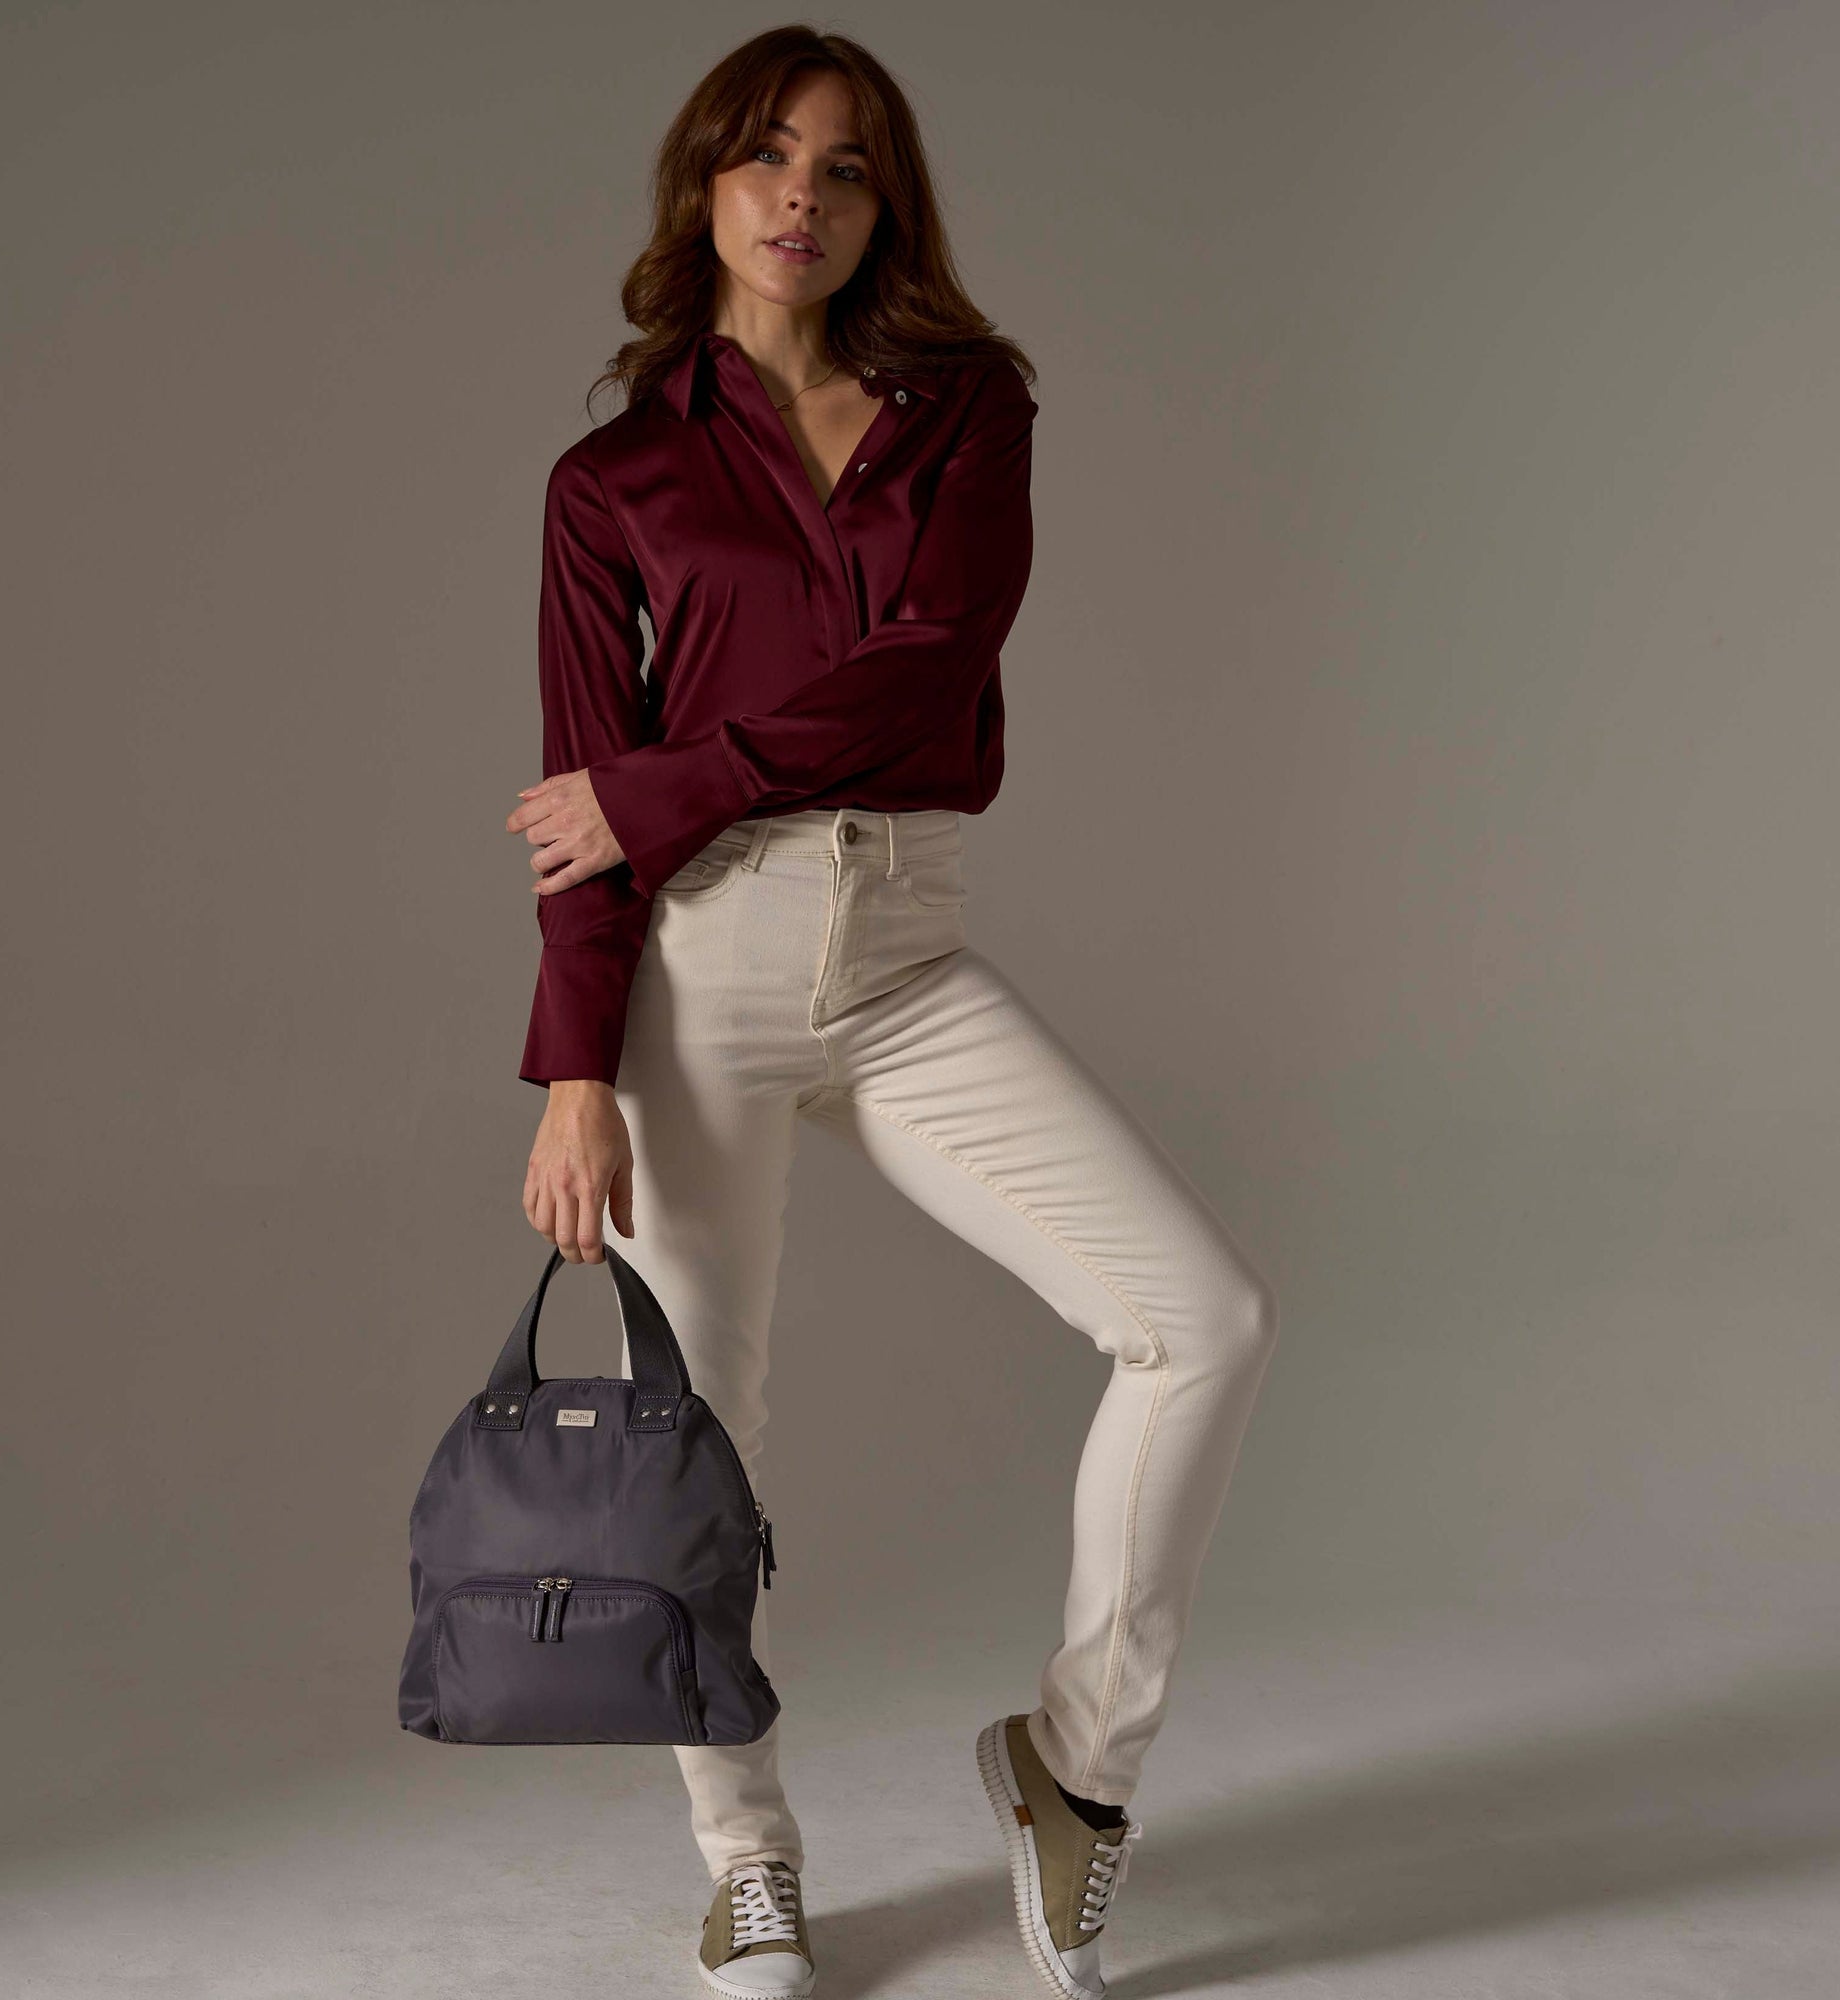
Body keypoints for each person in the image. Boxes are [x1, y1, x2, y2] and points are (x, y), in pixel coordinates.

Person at [503, 28, 1279, 2000]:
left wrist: (672, 781)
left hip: (907, 953)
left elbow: (931, 672)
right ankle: (746, 1860)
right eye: (765, 156)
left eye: (845, 168)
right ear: (703, 186)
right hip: (700, 971)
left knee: (1199, 1319)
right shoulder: (613, 478)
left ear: (885, 207)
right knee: (697, 1438)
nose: (802, 196)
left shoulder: (967, 409)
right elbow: (576, 805)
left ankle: (1075, 1771)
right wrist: (575, 1066)